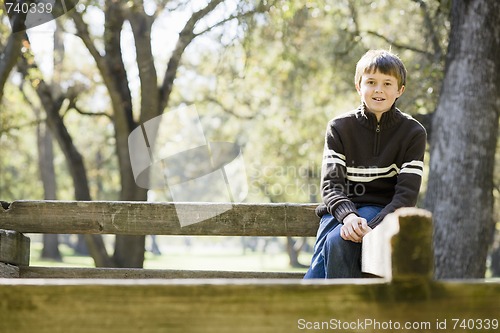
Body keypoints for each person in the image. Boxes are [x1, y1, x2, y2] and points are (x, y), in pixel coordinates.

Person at [304, 49, 427, 279]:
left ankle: (340, 314)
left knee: (339, 242)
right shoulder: (340, 128)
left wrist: (373, 228)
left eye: (387, 83)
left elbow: (406, 196)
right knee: (315, 276)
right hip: (339, 213)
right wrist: (349, 217)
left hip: (382, 211)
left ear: (400, 90)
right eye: (371, 82)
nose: (379, 89)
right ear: (359, 86)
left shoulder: (412, 133)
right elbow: (331, 186)